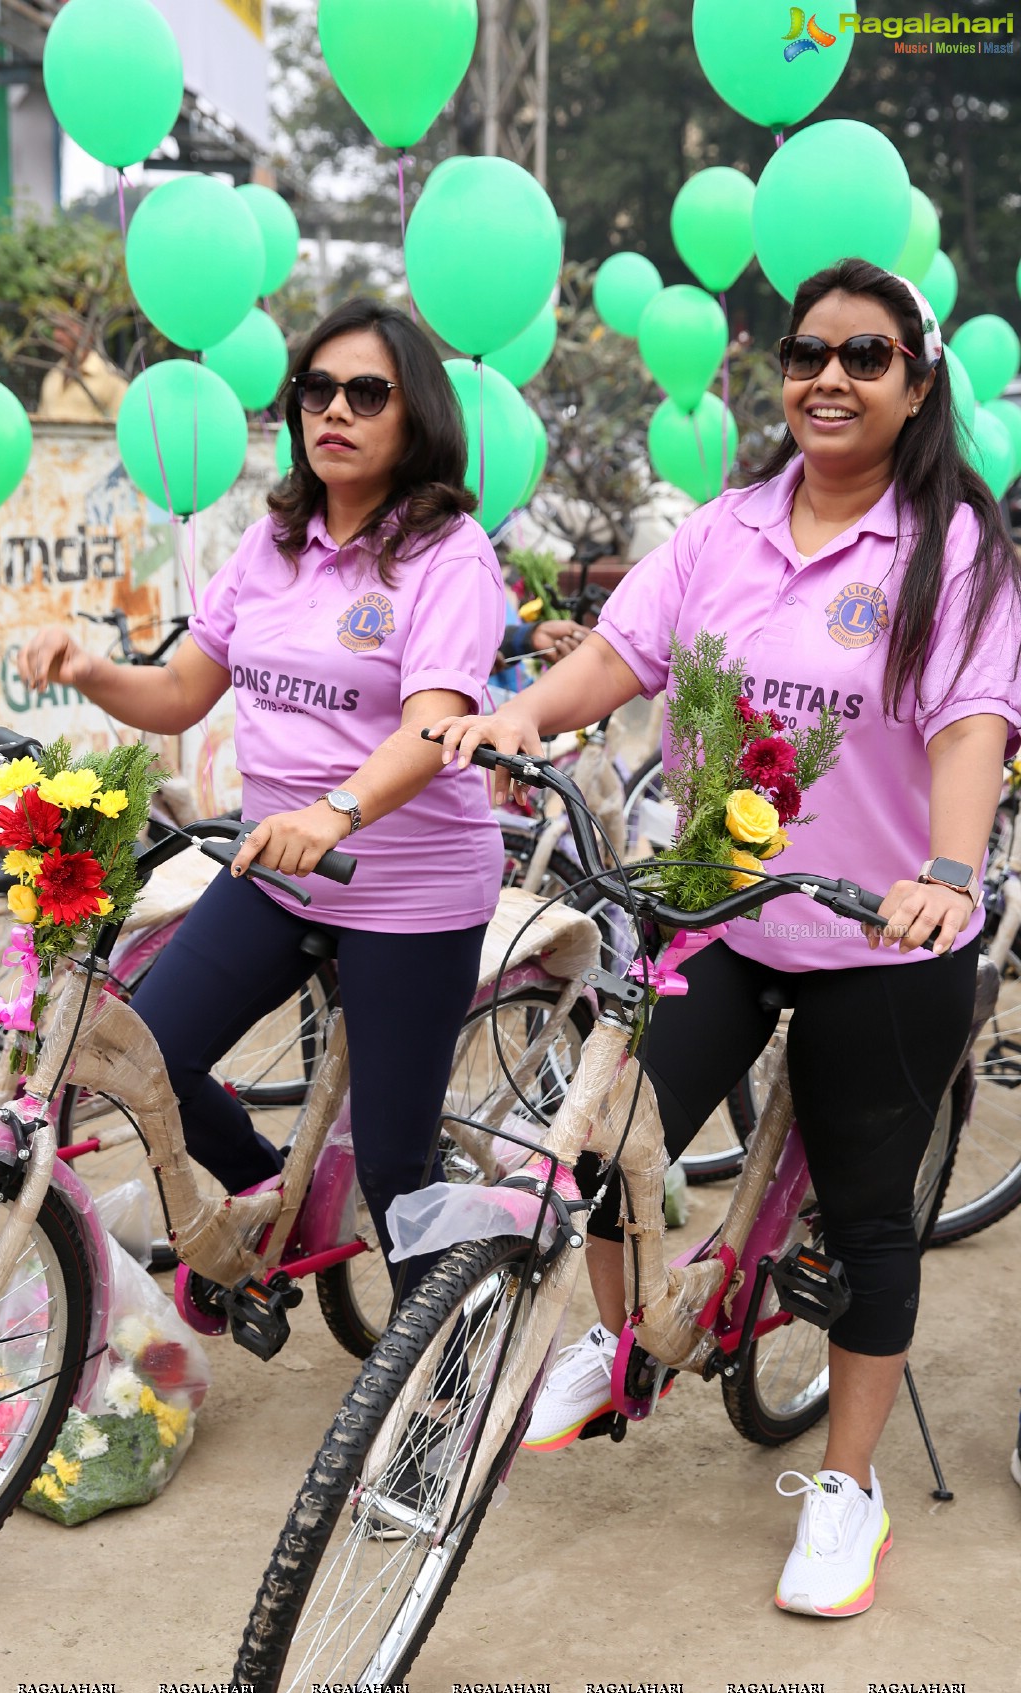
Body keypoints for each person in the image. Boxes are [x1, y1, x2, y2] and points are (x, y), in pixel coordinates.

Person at [431, 259, 1021, 1617]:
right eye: (808, 352)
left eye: (864, 356)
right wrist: (528, 718)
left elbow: (972, 729)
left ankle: (845, 1493)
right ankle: (627, 1339)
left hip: (884, 936)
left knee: (871, 1225)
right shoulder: (728, 528)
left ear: (917, 383)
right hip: (720, 902)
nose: (828, 377)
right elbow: (623, 657)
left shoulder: (956, 553)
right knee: (603, 1146)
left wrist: (945, 870)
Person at [19, 298, 505, 1298]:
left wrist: (334, 812)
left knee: (394, 1168)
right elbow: (182, 696)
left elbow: (432, 724)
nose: (335, 409)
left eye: (366, 393)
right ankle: (275, 1203)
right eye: (315, 390)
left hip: (406, 889)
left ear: (415, 414)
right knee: (145, 1057)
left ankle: (431, 1403)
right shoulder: (271, 542)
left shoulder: (447, 554)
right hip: (276, 869)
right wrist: (89, 668)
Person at [36, 316, 129, 424]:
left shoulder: (110, 377)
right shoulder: (53, 376)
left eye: (65, 329)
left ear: (87, 332)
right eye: (55, 328)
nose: (57, 335)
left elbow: (122, 425)